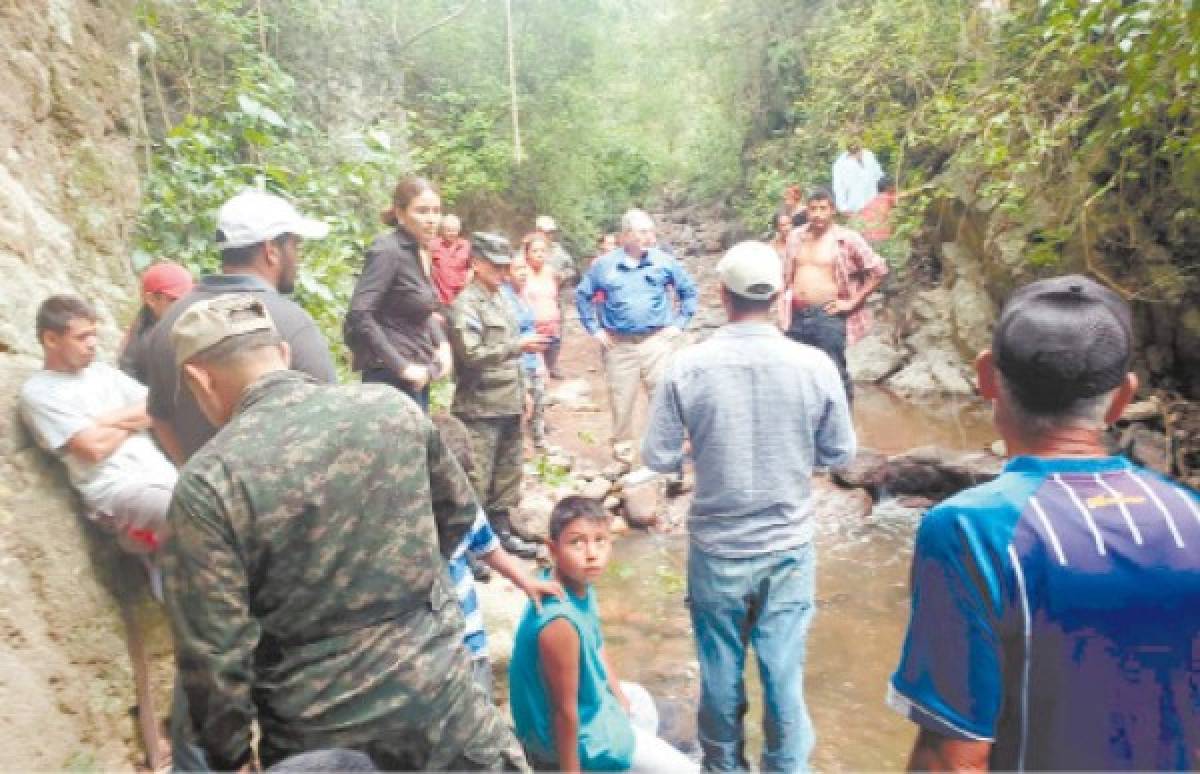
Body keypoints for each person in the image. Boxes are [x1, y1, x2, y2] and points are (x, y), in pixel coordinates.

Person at [163, 293, 528, 771]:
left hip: (319, 734)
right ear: (284, 354)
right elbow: (457, 519)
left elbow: (213, 653)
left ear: (199, 377)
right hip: (439, 703)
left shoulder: (209, 482)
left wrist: (232, 757)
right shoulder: (391, 410)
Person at [889, 275, 1200, 771]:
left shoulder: (971, 531)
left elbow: (954, 757)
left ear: (986, 376)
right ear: (1123, 398)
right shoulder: (1189, 515)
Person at [642, 242, 856, 772]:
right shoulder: (815, 365)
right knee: (783, 669)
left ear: (722, 295)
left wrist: (702, 443)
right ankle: (786, 765)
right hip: (787, 546)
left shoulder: (687, 367)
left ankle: (722, 764)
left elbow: (658, 456)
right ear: (782, 292)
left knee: (719, 668)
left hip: (717, 547)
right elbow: (839, 454)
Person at [144, 189, 336, 464]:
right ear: (271, 251)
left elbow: (160, 418)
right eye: (295, 245)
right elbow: (329, 424)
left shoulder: (171, 321)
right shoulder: (292, 324)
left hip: (205, 498)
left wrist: (192, 471)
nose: (298, 256)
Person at [509, 496, 699, 773]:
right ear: (553, 549)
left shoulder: (576, 583)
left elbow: (596, 646)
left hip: (584, 714)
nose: (591, 553)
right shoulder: (559, 622)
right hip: (561, 739)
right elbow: (564, 711)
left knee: (639, 701)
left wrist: (619, 698)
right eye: (577, 542)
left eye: (600, 540)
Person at [22, 294, 178, 557]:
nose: (93, 344)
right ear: (51, 339)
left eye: (94, 334)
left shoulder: (102, 373)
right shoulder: (39, 392)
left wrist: (104, 421)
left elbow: (158, 406)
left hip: (161, 475)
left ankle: (155, 550)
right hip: (117, 490)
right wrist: (133, 422)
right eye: (82, 337)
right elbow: (93, 448)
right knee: (191, 512)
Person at [432, 412, 564, 698]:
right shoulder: (406, 518)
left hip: (473, 646)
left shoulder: (464, 506)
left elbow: (488, 548)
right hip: (435, 652)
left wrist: (526, 582)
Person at [448, 232, 546, 560]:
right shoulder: (465, 305)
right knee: (476, 478)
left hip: (509, 400)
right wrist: (517, 346)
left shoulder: (503, 299)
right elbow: (471, 354)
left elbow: (516, 351)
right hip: (479, 406)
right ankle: (470, 549)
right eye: (495, 266)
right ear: (477, 264)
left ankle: (501, 534)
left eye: (506, 266)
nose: (503, 273)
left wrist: (525, 394)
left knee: (508, 474)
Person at [574, 209, 698, 462]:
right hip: (619, 345)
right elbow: (583, 295)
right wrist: (594, 329)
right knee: (622, 402)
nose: (650, 237)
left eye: (651, 231)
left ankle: (665, 458)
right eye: (643, 232)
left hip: (656, 342)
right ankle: (623, 458)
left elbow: (688, 292)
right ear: (626, 235)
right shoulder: (604, 266)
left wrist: (678, 325)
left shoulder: (664, 261)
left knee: (663, 399)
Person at [345, 176, 453, 412]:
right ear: (400, 213)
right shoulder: (387, 251)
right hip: (388, 380)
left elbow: (420, 310)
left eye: (436, 211)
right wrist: (402, 367)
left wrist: (443, 345)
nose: (431, 219)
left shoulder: (418, 252)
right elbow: (360, 314)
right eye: (422, 211)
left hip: (418, 372)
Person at [781, 187, 888, 404]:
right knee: (798, 375)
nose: (818, 214)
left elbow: (878, 271)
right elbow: (785, 274)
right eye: (813, 209)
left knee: (835, 372)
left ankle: (843, 430)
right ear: (807, 211)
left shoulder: (846, 239)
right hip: (796, 315)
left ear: (833, 210)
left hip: (828, 315)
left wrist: (852, 302)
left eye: (823, 208)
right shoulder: (795, 237)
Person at [119, 262, 194, 384]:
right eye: (174, 300)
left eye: (187, 299)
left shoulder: (140, 328)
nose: (184, 306)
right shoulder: (151, 343)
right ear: (151, 300)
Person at [507, 251, 549, 447]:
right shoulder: (503, 298)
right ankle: (518, 447)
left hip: (532, 360)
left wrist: (541, 363)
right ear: (507, 273)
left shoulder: (525, 296)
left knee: (539, 402)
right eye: (518, 269)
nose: (523, 273)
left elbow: (533, 331)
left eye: (525, 268)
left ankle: (539, 442)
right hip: (515, 361)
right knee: (522, 407)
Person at [521, 232, 564, 379]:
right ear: (526, 253)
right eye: (535, 251)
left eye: (543, 251)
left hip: (552, 329)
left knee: (547, 372)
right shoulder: (522, 273)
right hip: (532, 331)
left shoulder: (551, 272)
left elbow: (554, 297)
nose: (539, 254)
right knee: (536, 373)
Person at [832, 136, 885, 215]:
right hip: (855, 209)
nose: (856, 151)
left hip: (874, 205)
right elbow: (838, 188)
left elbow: (879, 177)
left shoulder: (869, 156)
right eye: (853, 148)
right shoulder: (840, 165)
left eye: (858, 148)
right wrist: (843, 208)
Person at [430, 213, 471, 304]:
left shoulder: (466, 246)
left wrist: (466, 283)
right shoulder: (433, 245)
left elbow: (472, 268)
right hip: (438, 298)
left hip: (460, 299)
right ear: (442, 230)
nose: (452, 233)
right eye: (448, 230)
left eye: (454, 230)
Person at [535, 214, 578, 287]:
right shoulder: (528, 248)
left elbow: (572, 269)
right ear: (538, 231)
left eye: (551, 232)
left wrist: (563, 275)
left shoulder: (558, 250)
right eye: (546, 232)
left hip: (556, 291)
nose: (549, 235)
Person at [856, 176, 898, 245]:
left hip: (866, 238)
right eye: (894, 186)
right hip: (880, 239)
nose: (896, 190)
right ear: (889, 188)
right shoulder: (887, 198)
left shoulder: (873, 201)